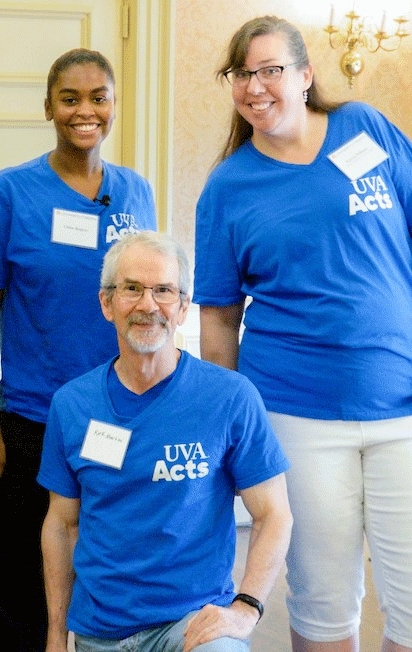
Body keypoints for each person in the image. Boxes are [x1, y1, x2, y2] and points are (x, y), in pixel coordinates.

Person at [194, 15, 412, 652]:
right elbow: (218, 318)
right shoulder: (229, 187)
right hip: (297, 416)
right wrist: (232, 428)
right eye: (242, 73)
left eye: (271, 70)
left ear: (307, 75)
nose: (255, 85)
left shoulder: (365, 128)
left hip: (403, 407)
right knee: (321, 599)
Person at [0, 48, 157, 651]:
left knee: (110, 564)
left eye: (99, 97)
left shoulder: (135, 193)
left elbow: (150, 302)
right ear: (48, 107)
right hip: (32, 423)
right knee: (16, 577)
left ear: (114, 104)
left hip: (119, 415)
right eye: (70, 98)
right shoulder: (8, 194)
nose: (85, 110)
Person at [40, 230, 292, 652]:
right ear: (107, 303)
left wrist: (246, 608)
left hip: (192, 625)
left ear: (182, 307)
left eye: (163, 291)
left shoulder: (230, 397)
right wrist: (54, 633)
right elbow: (62, 525)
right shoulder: (72, 405)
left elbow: (274, 514)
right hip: (98, 631)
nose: (147, 305)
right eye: (132, 289)